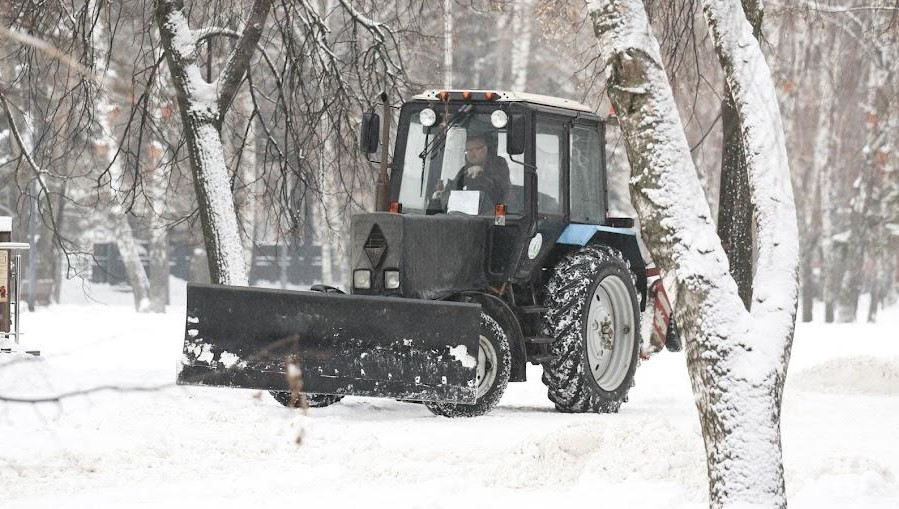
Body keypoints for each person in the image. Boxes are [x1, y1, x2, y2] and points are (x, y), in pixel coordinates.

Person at [431, 134, 511, 213]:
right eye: (468, 150)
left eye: (476, 149)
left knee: (500, 222)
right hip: (468, 217)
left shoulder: (499, 163)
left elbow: (502, 192)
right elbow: (454, 189)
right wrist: (442, 194)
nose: (471, 153)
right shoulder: (464, 170)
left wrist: (482, 172)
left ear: (485, 148)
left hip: (496, 211)